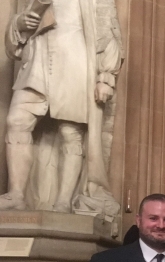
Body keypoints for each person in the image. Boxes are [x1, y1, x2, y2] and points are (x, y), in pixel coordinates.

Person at [0, 0, 123, 213]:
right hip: (37, 60)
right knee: (16, 121)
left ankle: (64, 201)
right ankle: (16, 194)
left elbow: (108, 28)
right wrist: (19, 23)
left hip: (74, 61)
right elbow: (19, 35)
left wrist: (105, 77)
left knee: (71, 131)